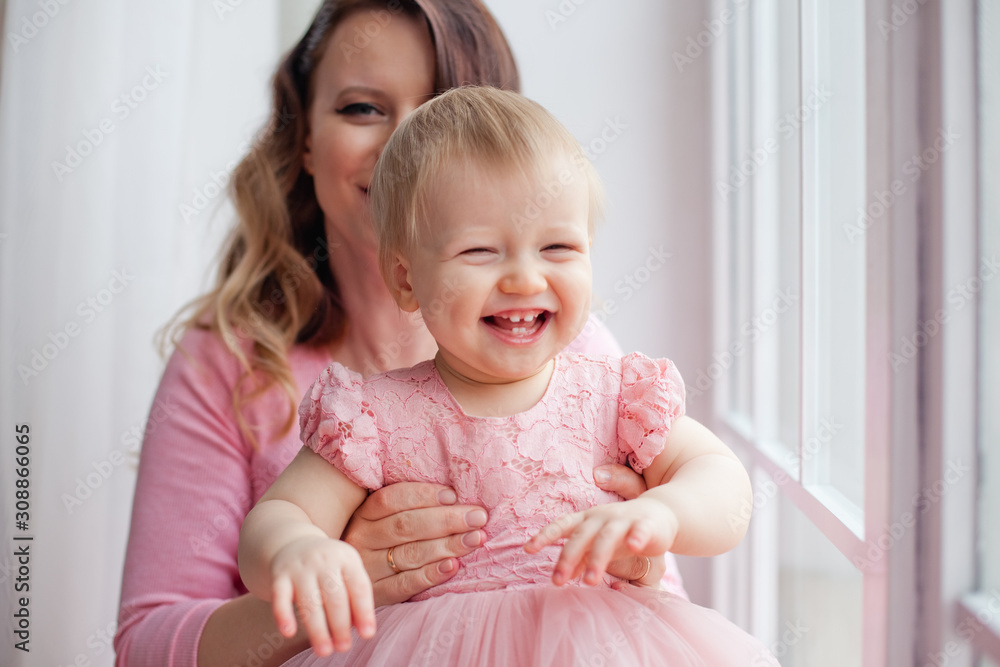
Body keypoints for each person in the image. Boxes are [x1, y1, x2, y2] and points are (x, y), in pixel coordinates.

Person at [114, 2, 684, 666]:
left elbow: (655, 601)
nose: (404, 146)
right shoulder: (228, 367)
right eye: (363, 108)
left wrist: (640, 551)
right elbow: (145, 647)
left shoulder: (572, 357)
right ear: (302, 139)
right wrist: (338, 587)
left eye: (444, 112)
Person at [237, 86, 775, 666]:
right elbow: (278, 515)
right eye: (480, 251)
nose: (524, 278)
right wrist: (299, 550)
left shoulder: (616, 398)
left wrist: (666, 514)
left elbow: (723, 483)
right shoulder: (376, 419)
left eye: (558, 246)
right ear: (406, 279)